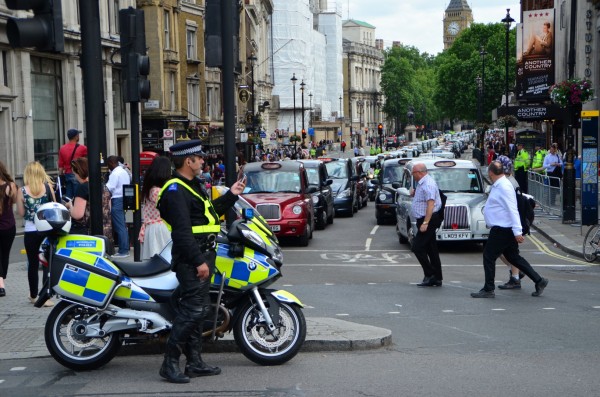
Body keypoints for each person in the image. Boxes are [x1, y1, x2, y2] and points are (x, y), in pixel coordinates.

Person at [157, 140, 246, 383]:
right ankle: (170, 363)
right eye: (200, 158)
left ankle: (194, 362)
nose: (203, 161)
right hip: (191, 259)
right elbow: (182, 233)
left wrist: (231, 196)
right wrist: (198, 262)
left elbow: (208, 215)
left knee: (199, 311)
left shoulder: (192, 185)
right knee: (192, 311)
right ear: (189, 161)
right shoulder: (175, 190)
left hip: (204, 254)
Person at [471, 160, 548, 298]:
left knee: (488, 256)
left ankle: (488, 289)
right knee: (513, 257)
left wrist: (517, 231)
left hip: (503, 229)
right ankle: (539, 280)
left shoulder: (504, 187)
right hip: (504, 228)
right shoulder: (498, 185)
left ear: (490, 173)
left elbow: (513, 210)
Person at [15, 161, 56, 307]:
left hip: (31, 231)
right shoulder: (48, 187)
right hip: (47, 229)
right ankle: (46, 296)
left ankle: (33, 294)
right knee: (47, 263)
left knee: (32, 263)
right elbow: (54, 206)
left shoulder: (22, 191)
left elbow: (21, 213)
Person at [409, 162, 443, 287]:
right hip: (424, 219)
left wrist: (426, 223)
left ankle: (431, 274)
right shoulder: (422, 183)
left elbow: (430, 204)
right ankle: (437, 277)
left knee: (417, 247)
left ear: (419, 172)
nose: (413, 175)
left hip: (428, 219)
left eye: (413, 173)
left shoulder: (428, 184)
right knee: (431, 249)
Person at [138, 156, 172, 260]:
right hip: (160, 228)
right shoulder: (158, 191)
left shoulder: (151, 189)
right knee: (164, 259)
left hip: (152, 228)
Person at [106, 155, 131, 258]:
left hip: (117, 199)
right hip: (124, 197)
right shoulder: (124, 171)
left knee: (120, 226)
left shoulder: (115, 173)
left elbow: (109, 188)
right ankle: (125, 248)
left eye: (108, 165)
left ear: (112, 163)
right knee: (123, 226)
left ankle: (123, 251)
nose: (108, 167)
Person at [0, 161, 18, 298]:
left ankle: (1, 284)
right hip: (10, 226)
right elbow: (15, 201)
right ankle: (2, 281)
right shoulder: (11, 186)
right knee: (4, 255)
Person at [58, 129, 88, 199]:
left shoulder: (62, 148)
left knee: (68, 196)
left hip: (67, 174)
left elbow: (61, 165)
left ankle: (69, 208)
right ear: (76, 137)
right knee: (78, 196)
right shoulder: (82, 148)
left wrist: (61, 176)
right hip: (78, 174)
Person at [66, 157, 90, 234]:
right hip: (105, 232)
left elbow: (77, 215)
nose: (74, 176)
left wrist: (70, 205)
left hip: (86, 233)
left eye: (74, 174)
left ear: (78, 172)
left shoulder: (82, 188)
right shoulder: (102, 185)